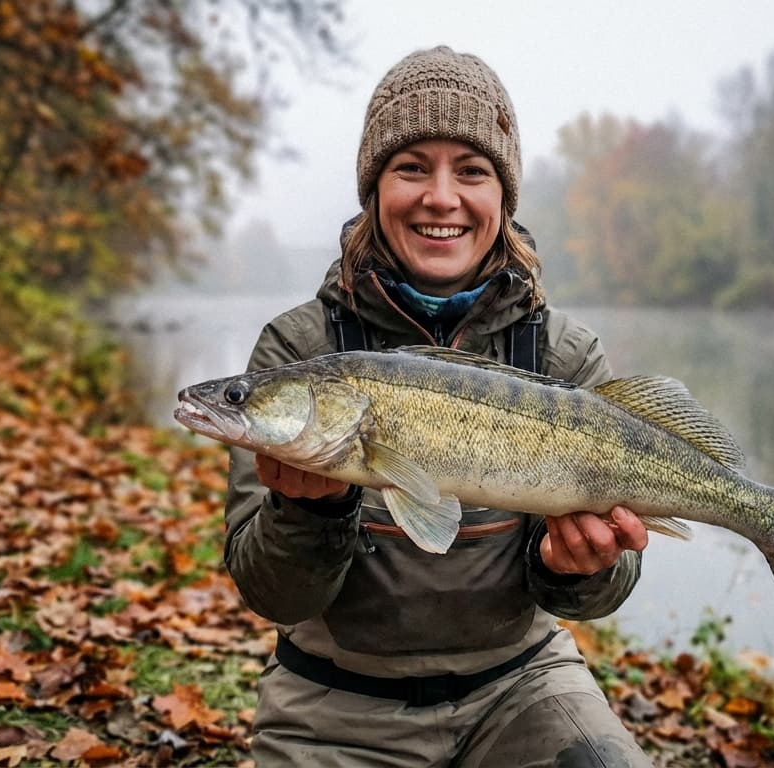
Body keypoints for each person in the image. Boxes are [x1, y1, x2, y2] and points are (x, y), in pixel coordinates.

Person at [224, 45, 654, 767]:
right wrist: (312, 512)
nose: (442, 197)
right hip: (334, 702)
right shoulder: (297, 349)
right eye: (411, 167)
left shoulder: (565, 356)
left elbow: (604, 592)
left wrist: (578, 568)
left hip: (522, 687)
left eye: (473, 171)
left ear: (503, 196)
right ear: (374, 189)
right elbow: (272, 594)